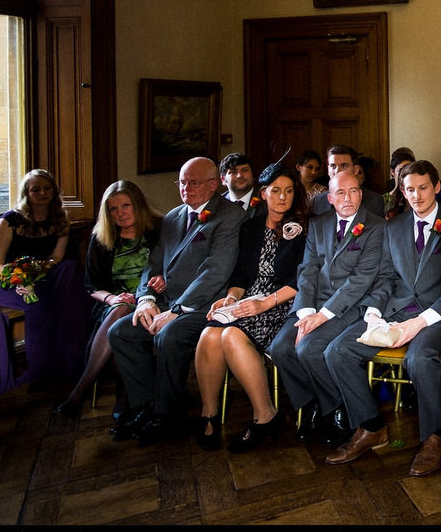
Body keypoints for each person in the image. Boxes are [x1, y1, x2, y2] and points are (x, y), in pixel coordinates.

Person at [325, 160, 441, 473]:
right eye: (409, 189)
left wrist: (420, 322)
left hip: (440, 315)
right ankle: (371, 427)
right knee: (337, 351)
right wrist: (374, 314)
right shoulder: (392, 227)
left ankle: (435, 436)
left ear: (436, 186)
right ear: (402, 191)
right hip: (397, 312)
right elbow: (385, 279)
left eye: (423, 188)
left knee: (418, 359)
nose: (417, 196)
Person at [109, 157, 243, 446]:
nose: (185, 188)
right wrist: (146, 299)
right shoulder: (172, 217)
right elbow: (153, 264)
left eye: (193, 183)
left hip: (207, 306)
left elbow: (215, 271)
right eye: (182, 182)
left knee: (169, 335)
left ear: (212, 184)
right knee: (120, 332)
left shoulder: (229, 215)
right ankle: (147, 405)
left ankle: (165, 415)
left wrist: (178, 309)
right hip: (166, 303)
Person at [193, 164, 307, 453]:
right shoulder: (250, 227)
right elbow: (242, 278)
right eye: (276, 191)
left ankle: (265, 414)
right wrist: (231, 299)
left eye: (289, 191)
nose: (283, 197)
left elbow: (302, 279)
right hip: (249, 300)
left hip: (283, 301)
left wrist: (264, 302)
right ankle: (209, 414)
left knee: (231, 336)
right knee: (209, 335)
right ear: (264, 193)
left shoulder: (305, 228)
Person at [268, 170, 384, 450]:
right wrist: (306, 311)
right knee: (280, 348)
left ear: (361, 193)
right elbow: (307, 270)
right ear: (330, 198)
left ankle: (339, 409)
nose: (349, 198)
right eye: (341, 193)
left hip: (348, 307)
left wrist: (322, 315)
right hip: (314, 304)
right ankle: (311, 404)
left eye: (354, 191)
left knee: (307, 349)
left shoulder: (376, 227)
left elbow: (361, 280)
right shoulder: (319, 225)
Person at [55, 181, 163, 416]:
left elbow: (176, 265)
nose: (120, 213)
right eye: (113, 209)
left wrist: (160, 282)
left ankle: (87, 391)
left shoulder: (160, 229)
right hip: (112, 303)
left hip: (155, 300)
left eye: (126, 206)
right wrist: (112, 298)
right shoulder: (102, 237)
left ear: (138, 205)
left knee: (122, 320)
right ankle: (121, 397)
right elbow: (91, 286)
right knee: (121, 312)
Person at [0, 169, 90, 389]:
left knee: (71, 271)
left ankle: (74, 365)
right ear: (26, 193)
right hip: (8, 280)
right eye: (36, 189)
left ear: (54, 190)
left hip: (43, 275)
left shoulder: (60, 217)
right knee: (38, 300)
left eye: (47, 187)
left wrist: (37, 270)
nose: (42, 192)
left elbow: (57, 257)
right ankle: (44, 372)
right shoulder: (10, 221)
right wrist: (19, 278)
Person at [309, 145, 385, 218]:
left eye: (344, 166)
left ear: (356, 170)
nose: (337, 171)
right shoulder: (318, 201)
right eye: (333, 166)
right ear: (328, 170)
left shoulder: (374, 201)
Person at [220, 152, 260, 217]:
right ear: (223, 180)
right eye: (233, 172)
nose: (240, 176)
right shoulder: (216, 205)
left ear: (253, 175)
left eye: (245, 170)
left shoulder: (266, 200)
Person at [384, 147, 416, 219]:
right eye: (400, 170)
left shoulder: (416, 196)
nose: (405, 174)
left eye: (409, 169)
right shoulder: (384, 199)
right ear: (392, 172)